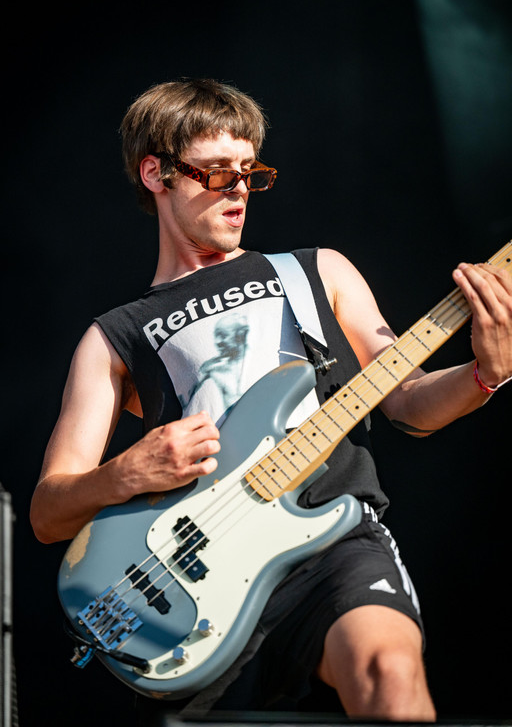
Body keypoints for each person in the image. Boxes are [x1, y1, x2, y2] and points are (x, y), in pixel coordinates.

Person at [31, 78, 512, 724]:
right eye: (216, 173)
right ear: (155, 173)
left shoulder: (317, 271)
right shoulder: (114, 335)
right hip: (198, 573)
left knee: (391, 677)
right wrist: (127, 472)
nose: (238, 190)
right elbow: (49, 512)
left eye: (249, 173)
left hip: (331, 540)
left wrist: (486, 374)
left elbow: (406, 400)